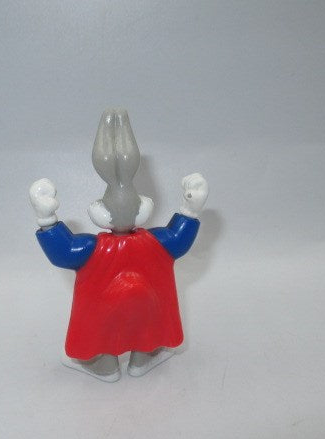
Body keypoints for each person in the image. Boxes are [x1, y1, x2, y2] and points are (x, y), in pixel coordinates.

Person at [29, 109, 209, 382]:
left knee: (112, 331)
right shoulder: (155, 242)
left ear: (101, 212)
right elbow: (179, 240)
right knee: (146, 328)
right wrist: (190, 211)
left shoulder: (92, 248)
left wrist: (48, 220)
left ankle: (104, 364)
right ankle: (142, 356)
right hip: (144, 308)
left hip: (109, 313)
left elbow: (64, 252)